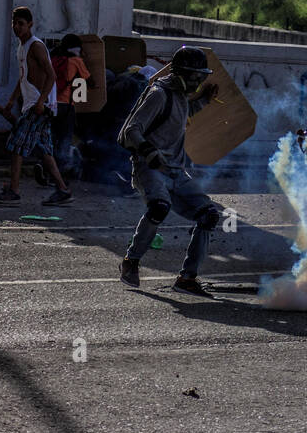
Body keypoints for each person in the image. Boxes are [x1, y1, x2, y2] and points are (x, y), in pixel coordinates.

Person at [116, 45, 222, 293]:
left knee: (209, 215)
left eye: (201, 77)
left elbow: (181, 113)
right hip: (149, 167)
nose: (198, 81)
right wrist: (149, 152)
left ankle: (187, 278)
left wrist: (205, 100)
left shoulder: (180, 94)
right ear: (182, 73)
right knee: (159, 208)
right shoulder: (159, 94)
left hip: (176, 170)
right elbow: (131, 130)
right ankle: (131, 261)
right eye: (195, 76)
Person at [0, 8, 73, 207]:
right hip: (33, 104)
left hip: (38, 106)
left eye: (21, 23)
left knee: (17, 146)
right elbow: (23, 77)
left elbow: (51, 76)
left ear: (30, 24)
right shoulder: (22, 46)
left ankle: (14, 191)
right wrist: (11, 100)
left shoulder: (36, 46)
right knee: (44, 150)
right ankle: (63, 190)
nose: (17, 27)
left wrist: (40, 102)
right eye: (14, 23)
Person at [47, 33, 92, 181]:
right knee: (65, 139)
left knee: (52, 137)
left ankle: (47, 170)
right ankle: (61, 174)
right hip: (67, 105)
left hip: (51, 104)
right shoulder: (76, 60)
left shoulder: (53, 58)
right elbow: (90, 81)